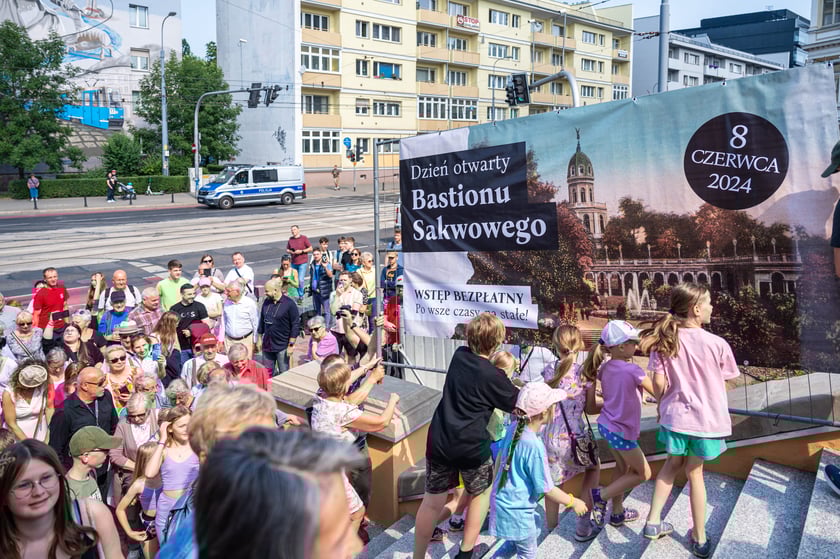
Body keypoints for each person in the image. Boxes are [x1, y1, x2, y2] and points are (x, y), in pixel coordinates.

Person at [641, 283, 739, 557]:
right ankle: (700, 537)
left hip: (675, 418)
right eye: (708, 303)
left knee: (671, 466)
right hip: (705, 422)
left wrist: (662, 404)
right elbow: (730, 379)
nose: (712, 307)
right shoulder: (717, 344)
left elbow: (658, 383)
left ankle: (652, 521)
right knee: (695, 473)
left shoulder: (664, 343)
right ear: (696, 309)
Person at [414, 313, 520, 559]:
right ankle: (465, 552)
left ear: (469, 337)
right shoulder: (494, 376)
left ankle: (418, 555)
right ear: (497, 342)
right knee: (481, 493)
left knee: (431, 502)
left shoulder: (459, 356)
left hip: (440, 441)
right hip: (471, 448)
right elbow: (517, 402)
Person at [490, 382, 588, 558]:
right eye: (553, 406)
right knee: (528, 553)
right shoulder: (534, 446)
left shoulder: (513, 428)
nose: (555, 409)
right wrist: (574, 502)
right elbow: (546, 488)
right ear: (544, 412)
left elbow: (499, 461)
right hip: (518, 511)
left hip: (502, 503)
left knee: (520, 538)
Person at [311, 360, 400, 543]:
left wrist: (367, 368)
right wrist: (393, 400)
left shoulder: (320, 397)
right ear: (344, 387)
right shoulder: (343, 412)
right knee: (357, 512)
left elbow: (343, 382)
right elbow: (381, 422)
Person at [0, 439, 123, 558]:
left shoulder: (91, 515)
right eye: (24, 485)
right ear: (4, 494)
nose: (39, 492)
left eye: (46, 478)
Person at [586, 321, 655, 529]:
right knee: (644, 473)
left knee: (623, 467)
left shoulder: (606, 367)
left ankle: (617, 513)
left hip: (608, 426)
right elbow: (659, 392)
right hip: (621, 431)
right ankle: (600, 496)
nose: (636, 345)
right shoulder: (633, 370)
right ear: (622, 347)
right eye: (633, 341)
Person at [541, 325, 601, 539]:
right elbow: (590, 408)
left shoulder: (549, 369)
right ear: (580, 344)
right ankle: (583, 526)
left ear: (556, 345)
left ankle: (551, 528)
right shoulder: (585, 373)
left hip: (550, 436)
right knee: (593, 469)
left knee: (553, 483)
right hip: (574, 437)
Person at [48, 367, 119, 496]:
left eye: (104, 380)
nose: (105, 385)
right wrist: (67, 478)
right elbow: (55, 450)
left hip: (102, 469)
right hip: (79, 476)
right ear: (85, 386)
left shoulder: (105, 397)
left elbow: (114, 426)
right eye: (100, 382)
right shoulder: (64, 411)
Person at [145, 406, 199, 543]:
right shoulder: (164, 449)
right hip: (167, 508)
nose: (187, 429)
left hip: (190, 507)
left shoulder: (197, 447)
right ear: (170, 428)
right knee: (167, 549)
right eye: (181, 426)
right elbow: (149, 473)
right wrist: (162, 439)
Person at [111, 393, 159, 506]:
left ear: (148, 410)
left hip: (157, 477)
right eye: (132, 415)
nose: (136, 419)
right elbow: (115, 455)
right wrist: (139, 468)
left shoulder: (157, 419)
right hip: (131, 478)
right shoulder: (123, 424)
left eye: (140, 415)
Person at [116, 441, 161, 559]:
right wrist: (129, 532)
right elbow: (120, 509)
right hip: (150, 525)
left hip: (168, 521)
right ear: (146, 462)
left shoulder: (166, 477)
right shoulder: (139, 484)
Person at [66, 426, 122, 502]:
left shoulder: (91, 474)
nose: (108, 453)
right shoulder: (70, 491)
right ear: (86, 456)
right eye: (105, 450)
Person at [257, 277, 300, 376]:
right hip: (267, 345)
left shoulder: (289, 304)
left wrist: (291, 345)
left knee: (284, 374)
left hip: (282, 346)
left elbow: (295, 325)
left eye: (267, 291)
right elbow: (262, 320)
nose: (265, 293)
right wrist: (259, 338)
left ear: (275, 290)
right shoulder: (266, 302)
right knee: (267, 373)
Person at [2, 362, 53, 442]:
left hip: (41, 433)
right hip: (17, 437)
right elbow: (11, 423)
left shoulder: (45, 384)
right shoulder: (8, 394)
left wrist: (49, 435)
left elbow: (49, 409)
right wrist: (30, 444)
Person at [169, 285, 211, 367]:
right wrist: (176, 347)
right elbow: (171, 329)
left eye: (194, 293)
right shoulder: (174, 309)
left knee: (199, 368)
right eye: (189, 294)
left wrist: (192, 332)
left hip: (198, 346)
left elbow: (207, 326)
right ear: (182, 294)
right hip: (182, 348)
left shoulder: (199, 306)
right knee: (184, 369)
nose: (192, 296)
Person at [222, 282, 258, 358]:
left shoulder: (249, 303)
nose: (226, 293)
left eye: (228, 291)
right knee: (229, 364)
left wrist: (255, 341)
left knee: (245, 363)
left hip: (246, 341)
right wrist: (222, 339)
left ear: (237, 292)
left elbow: (255, 323)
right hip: (229, 341)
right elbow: (224, 321)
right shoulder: (226, 302)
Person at [287, 225, 312, 301]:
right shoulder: (290, 239)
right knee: (295, 280)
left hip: (302, 262)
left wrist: (302, 251)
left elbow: (310, 248)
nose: (293, 231)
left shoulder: (304, 238)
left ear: (298, 230)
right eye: (292, 230)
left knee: (300, 280)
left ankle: (301, 295)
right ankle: (298, 294)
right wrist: (291, 251)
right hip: (294, 262)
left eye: (294, 229)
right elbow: (287, 249)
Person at [310, 248, 334, 326]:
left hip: (324, 291)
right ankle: (319, 326)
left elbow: (330, 275)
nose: (316, 256)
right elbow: (312, 277)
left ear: (321, 254)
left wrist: (325, 267)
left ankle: (327, 327)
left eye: (317, 254)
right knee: (317, 311)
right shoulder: (312, 264)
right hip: (315, 291)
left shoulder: (326, 263)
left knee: (326, 311)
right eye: (314, 254)